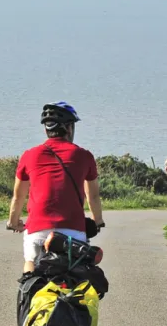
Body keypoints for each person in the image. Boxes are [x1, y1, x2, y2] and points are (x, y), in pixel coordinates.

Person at [7, 102, 104, 273]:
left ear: (46, 129)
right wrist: (97, 221)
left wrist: (13, 222)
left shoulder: (29, 155)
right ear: (69, 128)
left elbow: (18, 196)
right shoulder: (84, 156)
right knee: (79, 274)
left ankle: (28, 292)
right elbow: (93, 196)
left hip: (38, 229)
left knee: (30, 262)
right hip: (73, 231)